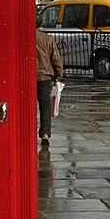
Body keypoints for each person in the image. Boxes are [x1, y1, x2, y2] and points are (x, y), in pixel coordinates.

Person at [35, 14, 64, 145]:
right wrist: (59, 74)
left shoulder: (23, 38)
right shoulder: (48, 39)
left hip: (27, 78)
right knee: (45, 106)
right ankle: (45, 133)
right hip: (45, 77)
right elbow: (56, 58)